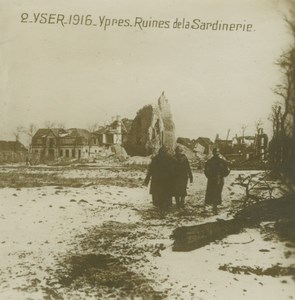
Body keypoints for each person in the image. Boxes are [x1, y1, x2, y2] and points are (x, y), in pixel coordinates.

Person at [144, 145, 175, 217]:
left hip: (157, 181)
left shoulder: (156, 159)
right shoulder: (170, 158)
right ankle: (164, 210)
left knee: (159, 196)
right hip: (166, 181)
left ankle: (161, 210)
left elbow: (150, 170)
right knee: (166, 196)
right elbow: (174, 170)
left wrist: (147, 180)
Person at [204, 148, 230, 214]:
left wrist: (223, 175)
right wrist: (210, 177)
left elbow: (226, 170)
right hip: (215, 179)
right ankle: (214, 207)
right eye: (216, 152)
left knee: (217, 192)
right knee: (215, 192)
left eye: (217, 153)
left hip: (218, 179)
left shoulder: (222, 161)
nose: (216, 154)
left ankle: (214, 206)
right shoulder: (210, 161)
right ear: (213, 153)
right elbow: (206, 171)